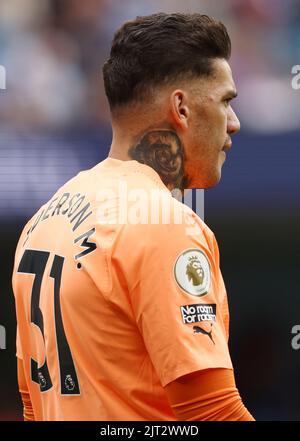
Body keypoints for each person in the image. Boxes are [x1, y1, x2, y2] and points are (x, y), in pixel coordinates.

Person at [12, 13, 254, 421]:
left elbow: (33, 404)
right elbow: (211, 410)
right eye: (225, 101)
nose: (234, 123)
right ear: (181, 108)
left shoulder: (43, 220)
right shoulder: (164, 223)